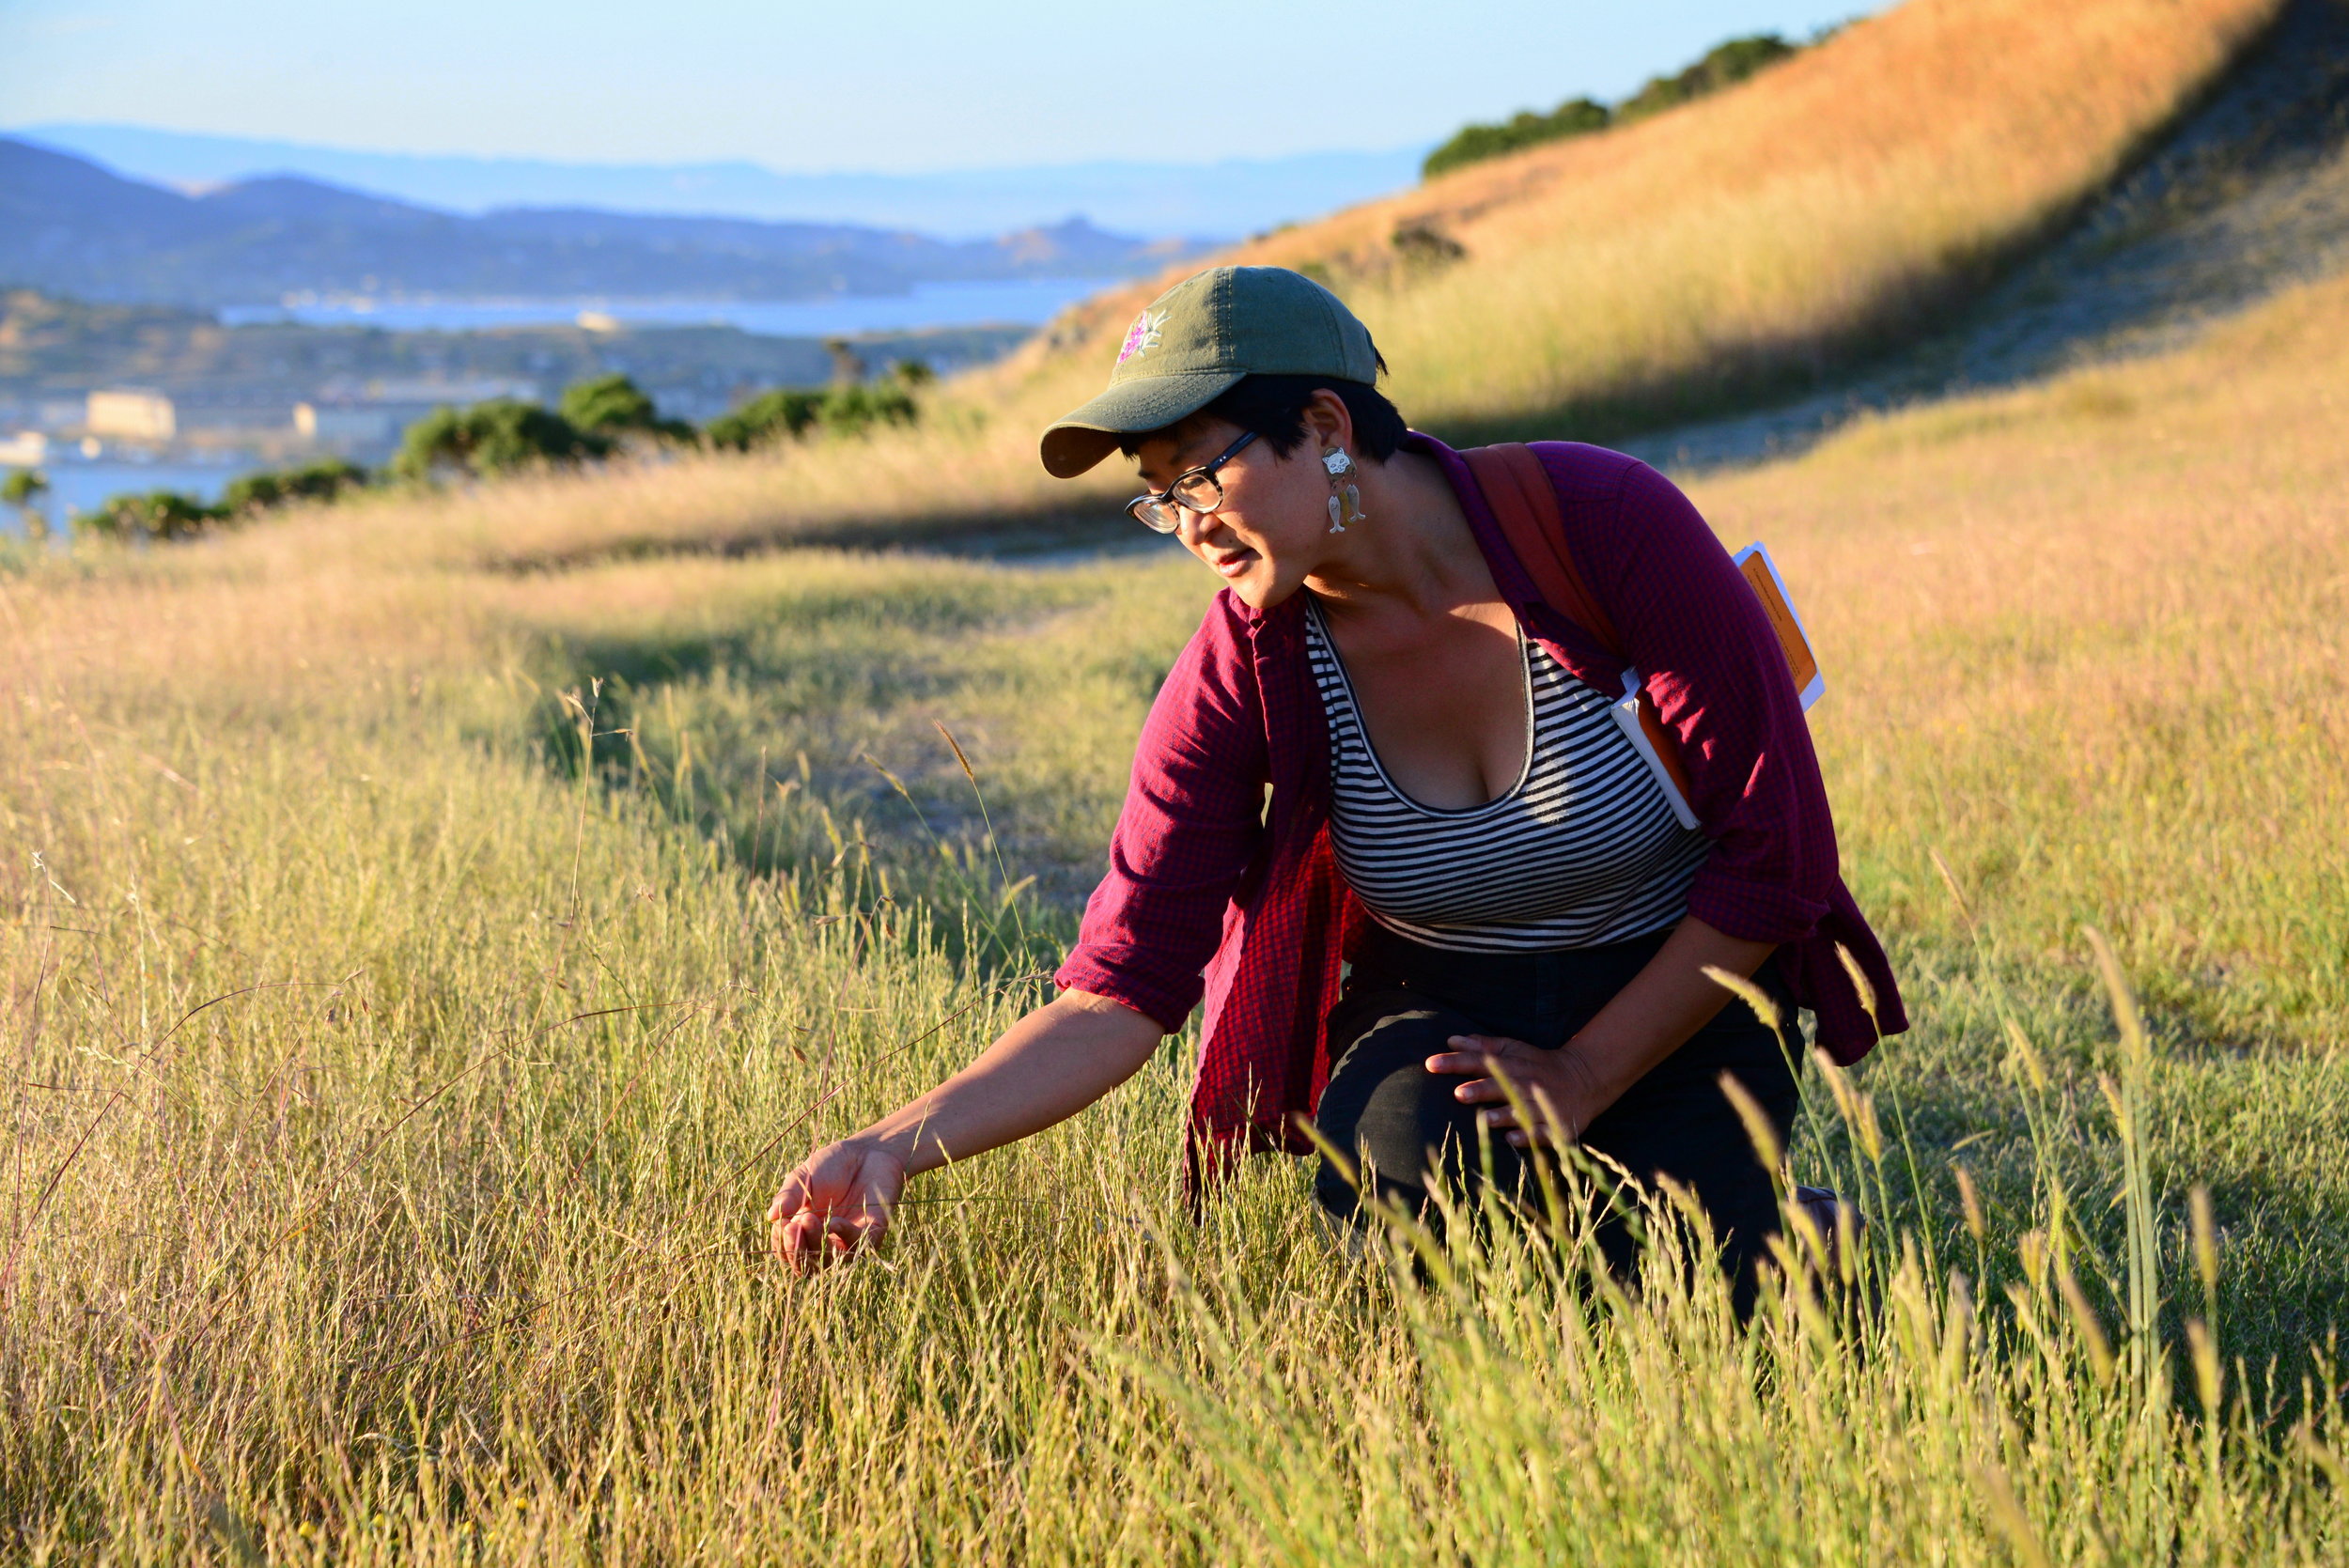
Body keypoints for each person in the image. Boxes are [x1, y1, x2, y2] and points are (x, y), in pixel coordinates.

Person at [770, 266, 1905, 1306]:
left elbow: (1778, 855)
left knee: (1687, 1302)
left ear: (1324, 428)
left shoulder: (1601, 525)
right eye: (1157, 496)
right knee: (1438, 1246)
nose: (1188, 525)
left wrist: (1584, 1071)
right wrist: (894, 1141)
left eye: (1202, 473)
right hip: (1439, 1009)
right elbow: (1120, 984)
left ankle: (1795, 1237)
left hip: (1677, 994)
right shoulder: (1240, 666)